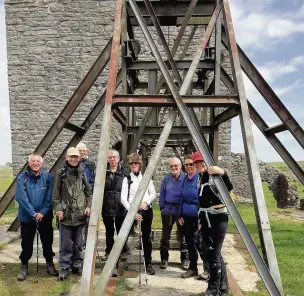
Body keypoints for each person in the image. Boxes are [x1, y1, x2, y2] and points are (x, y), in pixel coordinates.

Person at [193, 151, 233, 296]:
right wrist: (200, 220)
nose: (199, 164)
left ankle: (213, 289)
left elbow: (229, 187)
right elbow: (201, 201)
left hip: (218, 218)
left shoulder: (214, 175)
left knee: (213, 254)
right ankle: (222, 286)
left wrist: (223, 172)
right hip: (205, 218)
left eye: (201, 161)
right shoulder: (200, 177)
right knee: (212, 252)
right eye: (196, 162)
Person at [15, 153, 58, 281]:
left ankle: (49, 263)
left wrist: (43, 212)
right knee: (26, 243)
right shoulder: (22, 178)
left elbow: (50, 196)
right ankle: (24, 265)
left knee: (47, 241)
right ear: (29, 163)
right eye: (33, 161)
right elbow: (21, 197)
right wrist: (33, 213)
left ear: (42, 163)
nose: (36, 163)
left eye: (38, 161)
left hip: (44, 216)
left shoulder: (48, 177)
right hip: (27, 217)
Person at [52, 147, 92, 281]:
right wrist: (58, 209)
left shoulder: (82, 173)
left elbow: (88, 193)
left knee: (79, 243)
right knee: (65, 244)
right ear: (66, 157)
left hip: (80, 215)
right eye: (71, 157)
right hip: (66, 215)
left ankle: (77, 264)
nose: (74, 159)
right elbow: (55, 195)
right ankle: (64, 267)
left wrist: (88, 206)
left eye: (76, 157)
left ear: (79, 158)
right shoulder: (60, 173)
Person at [121, 153, 156, 275]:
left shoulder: (146, 178)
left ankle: (148, 263)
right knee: (124, 235)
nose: (134, 165)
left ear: (140, 164)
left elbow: (153, 193)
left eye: (136, 163)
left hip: (146, 210)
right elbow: (123, 198)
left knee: (146, 238)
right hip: (133, 211)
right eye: (131, 163)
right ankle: (119, 262)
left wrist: (146, 202)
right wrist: (133, 212)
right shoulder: (127, 179)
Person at [178, 154, 208, 279]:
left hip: (197, 216)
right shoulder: (185, 179)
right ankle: (193, 268)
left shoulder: (199, 178)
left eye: (191, 164)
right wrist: (179, 215)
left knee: (199, 243)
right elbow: (181, 198)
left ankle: (207, 269)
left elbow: (203, 199)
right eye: (187, 164)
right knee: (189, 242)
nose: (189, 166)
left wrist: (201, 218)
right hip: (186, 216)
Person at [159, 157, 189, 270]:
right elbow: (162, 194)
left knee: (183, 236)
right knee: (165, 236)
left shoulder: (186, 179)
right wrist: (162, 208)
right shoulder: (166, 179)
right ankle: (164, 259)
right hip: (168, 211)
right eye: (171, 166)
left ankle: (185, 259)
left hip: (181, 212)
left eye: (176, 166)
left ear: (181, 166)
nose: (174, 168)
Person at [101, 149, 129, 263]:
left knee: (120, 229)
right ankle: (109, 251)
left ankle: (122, 251)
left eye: (114, 157)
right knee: (109, 230)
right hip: (106, 203)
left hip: (119, 205)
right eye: (110, 157)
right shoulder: (104, 171)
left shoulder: (124, 172)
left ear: (118, 159)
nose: (112, 159)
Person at [76, 142, 96, 248]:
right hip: (76, 197)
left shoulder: (91, 164)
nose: (82, 152)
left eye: (84, 151)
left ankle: (87, 242)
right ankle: (78, 242)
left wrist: (88, 192)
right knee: (78, 220)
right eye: (80, 150)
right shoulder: (73, 164)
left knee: (88, 220)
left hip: (87, 195)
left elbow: (93, 179)